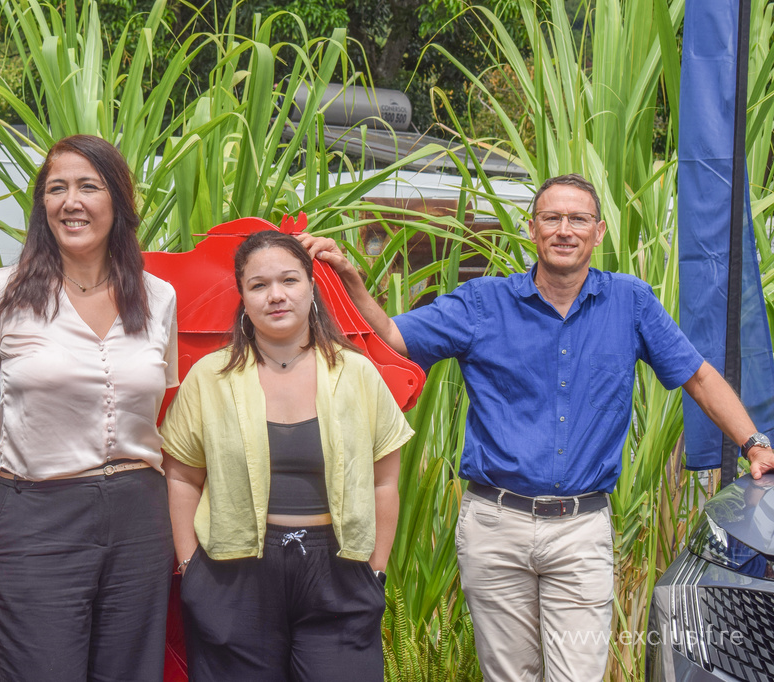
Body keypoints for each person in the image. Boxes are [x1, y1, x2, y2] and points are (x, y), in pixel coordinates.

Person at [298, 173, 774, 682]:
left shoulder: (630, 302)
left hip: (580, 529)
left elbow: (699, 376)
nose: (564, 230)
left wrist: (754, 443)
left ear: (598, 232)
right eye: (552, 218)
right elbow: (393, 337)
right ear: (532, 229)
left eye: (578, 219)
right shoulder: (482, 302)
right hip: (495, 526)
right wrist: (348, 276)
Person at [0, 135, 178, 681]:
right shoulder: (2, 294)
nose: (71, 202)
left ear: (118, 202)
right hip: (36, 515)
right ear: (42, 206)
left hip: (140, 517)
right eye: (57, 189)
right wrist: (14, 518)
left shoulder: (158, 298)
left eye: (88, 186)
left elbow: (158, 413)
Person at [161, 230, 413, 682]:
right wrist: (190, 568)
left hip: (340, 572)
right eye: (258, 285)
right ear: (242, 296)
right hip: (232, 576)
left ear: (311, 288)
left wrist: (375, 570)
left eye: (289, 280)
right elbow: (181, 477)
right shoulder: (209, 377)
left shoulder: (355, 371)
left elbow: (384, 481)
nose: (276, 295)